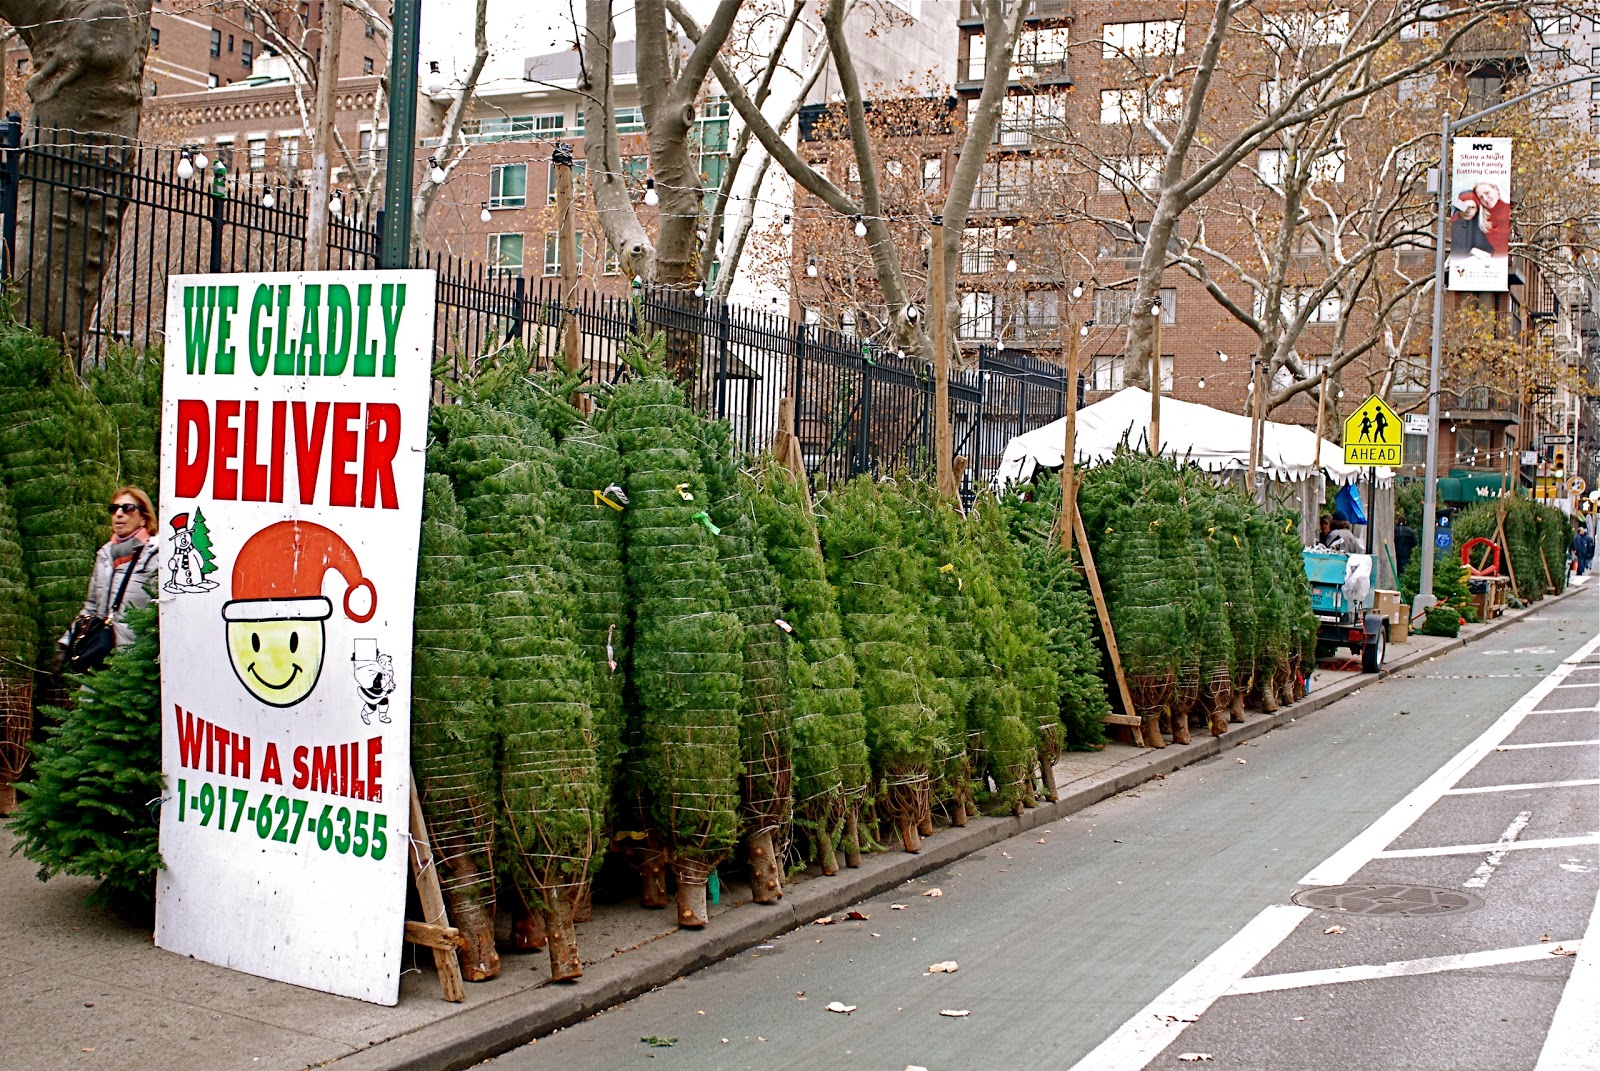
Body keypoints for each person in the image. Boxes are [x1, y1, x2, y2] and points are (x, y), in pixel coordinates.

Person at [56, 486, 162, 665]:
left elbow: (163, 613)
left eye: (128, 508)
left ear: (144, 518)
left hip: (139, 662)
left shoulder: (156, 556)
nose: (119, 514)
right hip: (101, 655)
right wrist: (65, 642)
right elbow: (91, 608)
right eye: (114, 508)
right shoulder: (105, 556)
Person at [1448, 196, 1494, 262]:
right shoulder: (1454, 226)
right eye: (1465, 207)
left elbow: (1489, 250)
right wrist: (1472, 251)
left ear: (1477, 210)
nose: (1468, 211)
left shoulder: (1478, 226)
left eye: (1472, 207)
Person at [1394, 513, 1418, 577]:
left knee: (1396, 568)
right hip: (1406, 553)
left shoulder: (1394, 530)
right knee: (1404, 569)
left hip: (1395, 552)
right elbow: (1414, 542)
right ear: (1405, 522)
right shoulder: (1409, 531)